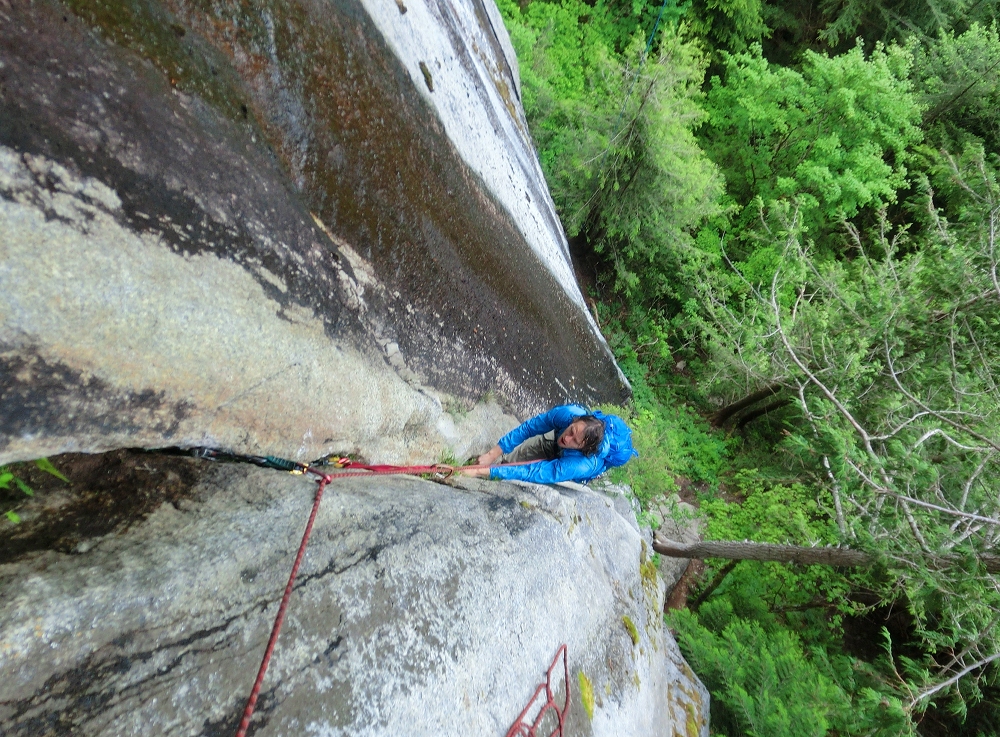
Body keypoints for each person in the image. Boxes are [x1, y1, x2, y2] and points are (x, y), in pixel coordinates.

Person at [463, 404, 635, 484]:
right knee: (510, 461)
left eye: (575, 441)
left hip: (568, 463)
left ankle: (492, 474)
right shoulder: (568, 414)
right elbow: (529, 429)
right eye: (572, 431)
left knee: (519, 475)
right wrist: (492, 454)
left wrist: (478, 471)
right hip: (552, 444)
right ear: (576, 420)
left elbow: (532, 472)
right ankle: (498, 469)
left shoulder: (581, 465)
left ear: (584, 449)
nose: (567, 439)